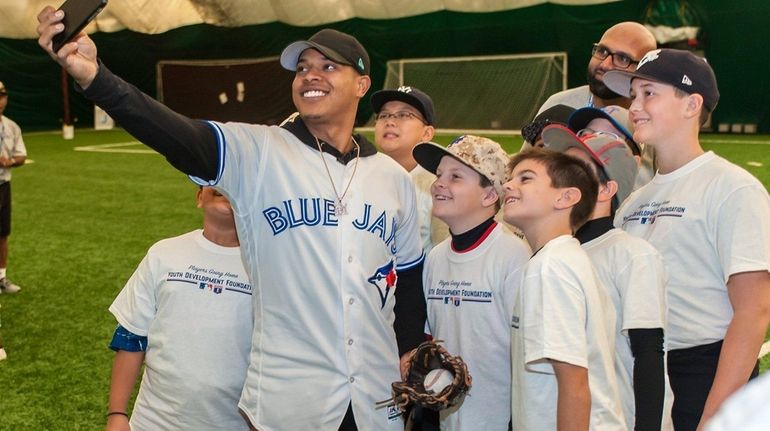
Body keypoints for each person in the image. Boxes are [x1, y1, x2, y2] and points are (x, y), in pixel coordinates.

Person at [38, 10, 426, 430]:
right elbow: (173, 133)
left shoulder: (392, 179)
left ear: (362, 84)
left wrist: (409, 352)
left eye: (328, 66)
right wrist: (96, 78)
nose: (310, 75)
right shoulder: (258, 151)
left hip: (375, 396)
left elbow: (408, 277)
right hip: (290, 401)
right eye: (302, 68)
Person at [603, 48, 770, 430]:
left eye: (649, 93)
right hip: (643, 370)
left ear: (692, 104)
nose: (635, 106)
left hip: (705, 373)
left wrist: (715, 416)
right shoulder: (633, 203)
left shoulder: (732, 189)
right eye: (633, 95)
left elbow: (753, 311)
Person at [542, 124, 671, 430]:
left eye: (578, 171)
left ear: (605, 189)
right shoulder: (552, 251)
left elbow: (649, 352)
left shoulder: (631, 255)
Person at [106, 187, 253, 431]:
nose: (224, 187)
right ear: (199, 198)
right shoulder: (164, 253)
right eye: (215, 181)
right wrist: (117, 414)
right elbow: (131, 337)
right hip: (153, 422)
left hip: (233, 423)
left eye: (235, 182)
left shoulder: (268, 265)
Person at [412, 135, 530, 430]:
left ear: (490, 195)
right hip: (446, 420)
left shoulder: (513, 255)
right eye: (439, 175)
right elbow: (433, 342)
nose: (439, 183)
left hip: (500, 420)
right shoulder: (436, 258)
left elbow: (526, 352)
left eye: (456, 177)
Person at [503, 148, 625, 431]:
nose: (508, 185)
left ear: (566, 197)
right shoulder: (567, 258)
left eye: (526, 178)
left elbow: (573, 381)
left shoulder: (550, 268)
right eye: (511, 178)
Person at [529, 22, 658, 185]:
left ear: (644, 69)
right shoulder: (557, 104)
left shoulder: (654, 119)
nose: (605, 64)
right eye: (602, 51)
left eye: (622, 58)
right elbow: (525, 168)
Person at [371, 86, 449, 252]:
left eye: (404, 115)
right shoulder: (357, 175)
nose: (390, 121)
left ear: (427, 133)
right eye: (383, 115)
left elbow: (445, 257)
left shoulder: (439, 186)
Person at [0, 81, 26, 294]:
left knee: (2, 234)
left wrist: (9, 162)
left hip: (3, 186)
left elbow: (21, 156)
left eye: (2, 95)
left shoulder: (11, 127)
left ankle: (1, 277)